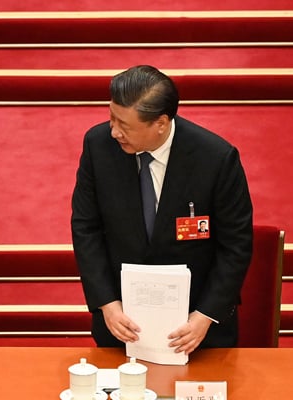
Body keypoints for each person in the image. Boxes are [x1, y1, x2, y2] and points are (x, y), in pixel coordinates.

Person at [71, 65, 253, 355]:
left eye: (125, 125)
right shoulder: (98, 146)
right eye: (111, 118)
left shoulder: (216, 159)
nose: (114, 131)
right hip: (122, 324)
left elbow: (236, 245)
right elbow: (85, 228)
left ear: (161, 123)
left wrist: (205, 315)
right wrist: (106, 303)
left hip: (196, 331)